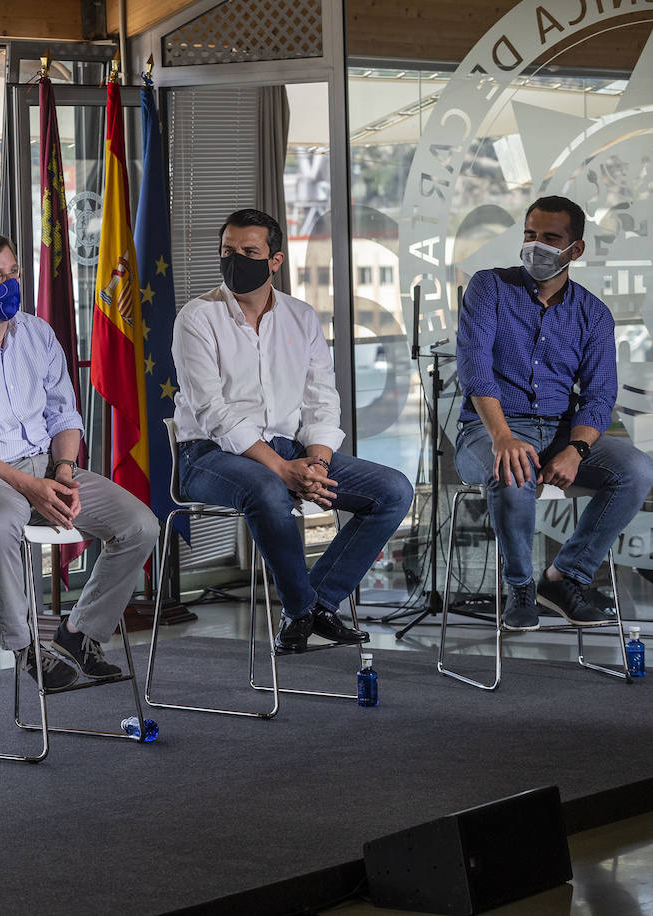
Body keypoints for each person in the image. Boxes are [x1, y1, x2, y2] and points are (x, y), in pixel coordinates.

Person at [0, 232, 159, 690]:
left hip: (47, 467)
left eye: (13, 272)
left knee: (139, 525)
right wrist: (29, 487)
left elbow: (64, 415)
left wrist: (63, 471)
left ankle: (79, 634)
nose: (10, 284)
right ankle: (26, 647)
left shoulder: (37, 333)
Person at [170, 208, 413, 653]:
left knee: (393, 491)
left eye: (249, 252)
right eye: (227, 250)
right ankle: (300, 611)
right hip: (207, 455)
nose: (235, 260)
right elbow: (211, 411)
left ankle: (319, 603)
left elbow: (322, 399)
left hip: (289, 449)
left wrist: (316, 464)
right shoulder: (197, 317)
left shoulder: (300, 317)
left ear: (275, 261)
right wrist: (283, 471)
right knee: (268, 490)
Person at [454, 195, 653, 631]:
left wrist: (576, 450)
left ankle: (565, 577)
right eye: (530, 234)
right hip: (487, 430)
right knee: (513, 467)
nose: (535, 246)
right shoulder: (490, 288)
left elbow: (599, 396)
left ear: (575, 250)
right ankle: (520, 587)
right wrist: (503, 436)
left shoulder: (593, 314)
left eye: (550, 238)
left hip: (561, 433)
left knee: (636, 470)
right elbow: (475, 370)